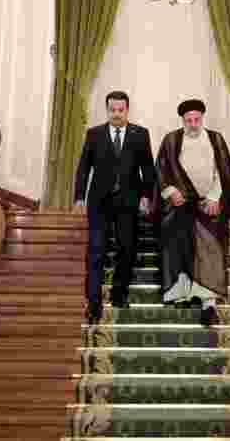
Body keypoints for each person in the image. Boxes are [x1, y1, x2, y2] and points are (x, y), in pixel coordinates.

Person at [152, 98, 230, 327]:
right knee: (175, 237)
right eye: (188, 120)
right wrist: (171, 191)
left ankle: (208, 303)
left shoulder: (215, 139)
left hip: (207, 205)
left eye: (196, 120)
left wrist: (214, 197)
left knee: (209, 246)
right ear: (182, 120)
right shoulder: (172, 140)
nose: (192, 124)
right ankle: (180, 294)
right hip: (180, 205)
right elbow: (161, 170)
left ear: (202, 118)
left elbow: (224, 172)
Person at [74, 90, 156, 324]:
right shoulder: (94, 134)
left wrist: (146, 196)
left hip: (128, 203)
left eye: (121, 110)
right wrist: (79, 196)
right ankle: (93, 303)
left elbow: (147, 169)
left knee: (127, 250)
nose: (117, 114)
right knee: (96, 252)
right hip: (99, 203)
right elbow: (83, 167)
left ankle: (119, 295)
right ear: (107, 110)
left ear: (127, 110)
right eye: (113, 110)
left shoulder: (140, 134)